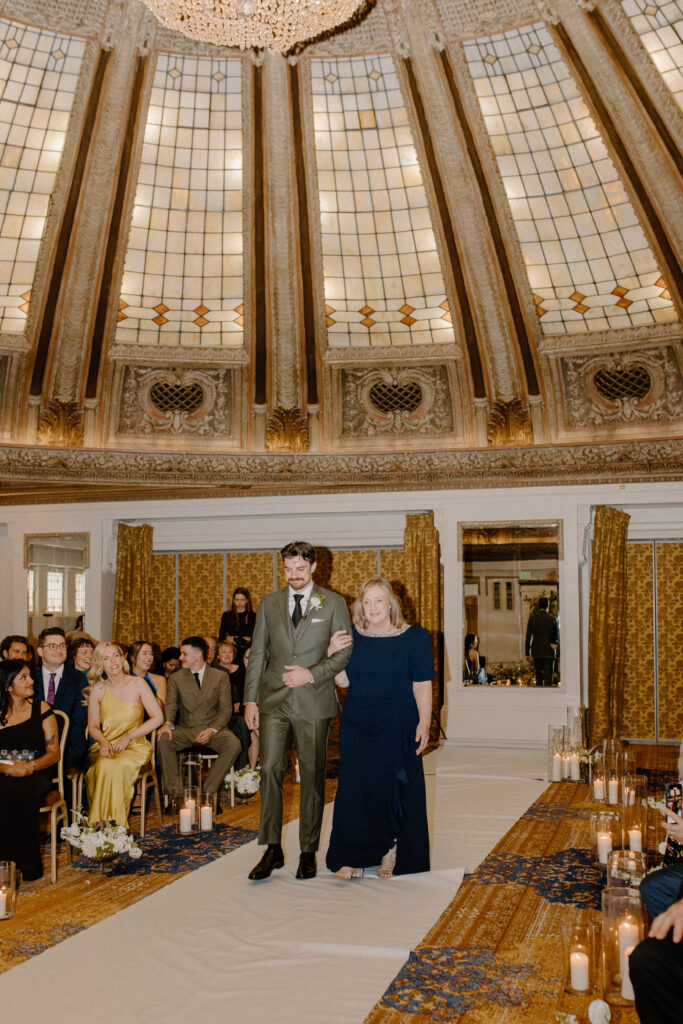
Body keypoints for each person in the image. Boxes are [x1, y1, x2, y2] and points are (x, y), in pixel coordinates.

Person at [244, 540, 352, 881]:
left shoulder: (333, 603)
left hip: (314, 700)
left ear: (314, 567)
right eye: (288, 570)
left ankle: (308, 851)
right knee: (270, 771)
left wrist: (311, 673)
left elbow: (344, 654)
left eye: (300, 570)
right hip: (274, 701)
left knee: (312, 777)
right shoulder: (269, 603)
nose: (293, 576)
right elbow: (259, 653)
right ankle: (272, 848)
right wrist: (250, 700)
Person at [325, 577, 433, 880]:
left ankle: (390, 851)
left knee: (392, 788)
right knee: (356, 789)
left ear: (390, 604)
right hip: (358, 723)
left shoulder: (414, 638)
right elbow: (343, 682)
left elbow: (422, 685)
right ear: (361, 605)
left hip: (398, 724)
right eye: (367, 601)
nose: (372, 607)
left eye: (378, 600)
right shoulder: (351, 638)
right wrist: (333, 654)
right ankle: (354, 856)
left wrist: (424, 722)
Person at [85, 642, 162, 825]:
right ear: (99, 664)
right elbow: (93, 726)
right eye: (106, 658)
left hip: (135, 746)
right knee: (104, 764)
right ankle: (101, 823)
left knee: (114, 765)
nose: (112, 661)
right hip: (106, 746)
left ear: (123, 658)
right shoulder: (98, 690)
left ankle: (115, 825)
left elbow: (157, 718)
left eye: (116, 656)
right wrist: (104, 742)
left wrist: (129, 737)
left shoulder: (138, 684)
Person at [157, 636, 242, 799]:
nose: (180, 657)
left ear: (197, 655)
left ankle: (208, 792)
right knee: (163, 739)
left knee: (234, 744)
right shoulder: (176, 678)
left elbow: (225, 711)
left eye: (184, 654)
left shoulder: (220, 676)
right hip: (186, 730)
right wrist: (167, 723)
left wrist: (211, 730)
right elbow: (171, 706)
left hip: (213, 730)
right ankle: (176, 795)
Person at [0, 659, 60, 881]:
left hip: (36, 771)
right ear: (8, 686)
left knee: (22, 791)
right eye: (23, 677)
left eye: (30, 675)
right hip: (3, 771)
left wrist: (29, 767)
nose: (31, 681)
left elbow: (54, 753)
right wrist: (7, 769)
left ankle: (28, 863)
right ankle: (3, 861)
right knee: (5, 790)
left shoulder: (42, 708)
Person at [33, 627, 88, 779]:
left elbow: (79, 722)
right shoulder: (30, 678)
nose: (59, 650)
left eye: (62, 646)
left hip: (68, 745)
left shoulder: (78, 679)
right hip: (34, 745)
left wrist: (56, 747)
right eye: (52, 646)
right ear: (40, 651)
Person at [524, 597, 559, 687]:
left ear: (538, 606)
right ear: (548, 606)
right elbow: (556, 637)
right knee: (548, 678)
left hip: (537, 651)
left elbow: (528, 636)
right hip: (549, 652)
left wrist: (527, 652)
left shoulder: (533, 618)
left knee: (538, 676)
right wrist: (558, 654)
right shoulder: (552, 619)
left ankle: (539, 697)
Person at [128, 640, 167, 708]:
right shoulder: (124, 678)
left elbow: (161, 707)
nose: (149, 658)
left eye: (151, 654)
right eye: (144, 653)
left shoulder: (159, 680)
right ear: (133, 658)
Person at [219, 588, 257, 658]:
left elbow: (259, 636)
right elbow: (221, 636)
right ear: (233, 600)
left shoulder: (253, 616)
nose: (239, 603)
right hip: (230, 652)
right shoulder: (227, 615)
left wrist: (250, 639)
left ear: (247, 601)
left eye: (242, 600)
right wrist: (228, 638)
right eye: (237, 600)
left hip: (248, 652)